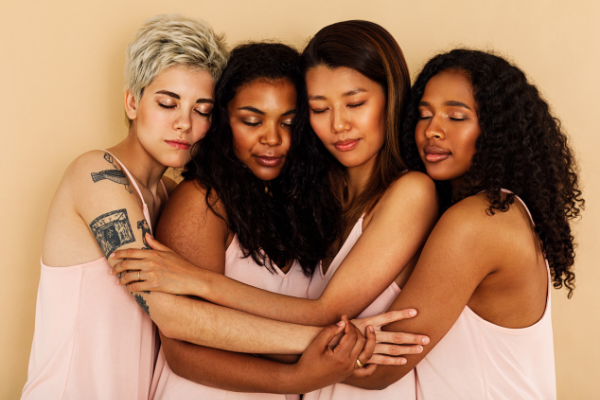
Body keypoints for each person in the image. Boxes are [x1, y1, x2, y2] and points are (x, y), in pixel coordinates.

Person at [22, 15, 393, 400]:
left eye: (201, 110)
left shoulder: (164, 192)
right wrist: (330, 343)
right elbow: (172, 315)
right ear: (132, 102)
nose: (183, 123)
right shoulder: (97, 174)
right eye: (168, 103)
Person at [114, 20, 438, 399]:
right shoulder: (203, 201)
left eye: (289, 122)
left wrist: (198, 280)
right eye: (251, 121)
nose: (339, 125)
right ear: (221, 120)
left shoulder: (333, 199)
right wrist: (310, 369)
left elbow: (323, 312)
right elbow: (183, 348)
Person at [339, 49, 583, 398]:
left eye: (456, 116)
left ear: (498, 130)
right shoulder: (503, 211)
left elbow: (379, 368)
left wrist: (251, 345)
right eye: (424, 115)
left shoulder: (479, 221)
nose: (432, 130)